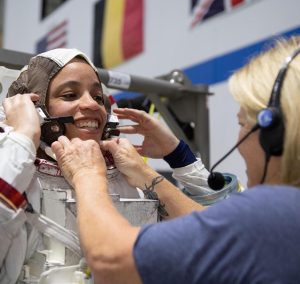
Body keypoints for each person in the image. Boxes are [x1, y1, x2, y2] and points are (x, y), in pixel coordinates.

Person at [52, 36, 300, 283]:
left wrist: (87, 175)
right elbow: (214, 226)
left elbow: (112, 260)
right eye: (70, 94)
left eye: (241, 123)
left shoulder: (271, 213)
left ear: (273, 134)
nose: (89, 105)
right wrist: (170, 160)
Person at [0, 48, 145, 283]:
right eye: (70, 95)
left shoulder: (125, 175)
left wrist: (181, 160)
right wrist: (23, 138)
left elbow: (202, 247)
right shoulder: (13, 173)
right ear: (35, 110)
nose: (92, 105)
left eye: (98, 97)